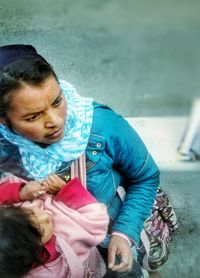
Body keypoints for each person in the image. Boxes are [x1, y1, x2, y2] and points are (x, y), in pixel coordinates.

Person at [0, 44, 162, 277]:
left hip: (111, 232)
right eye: (33, 116)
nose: (55, 121)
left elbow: (146, 177)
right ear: (4, 120)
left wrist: (124, 233)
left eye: (57, 101)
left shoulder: (102, 126)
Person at [0, 173, 109, 277]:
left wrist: (20, 192)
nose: (45, 216)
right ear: (36, 250)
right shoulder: (69, 239)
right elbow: (97, 219)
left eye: (31, 213)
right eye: (41, 230)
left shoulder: (11, 218)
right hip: (89, 265)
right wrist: (67, 191)